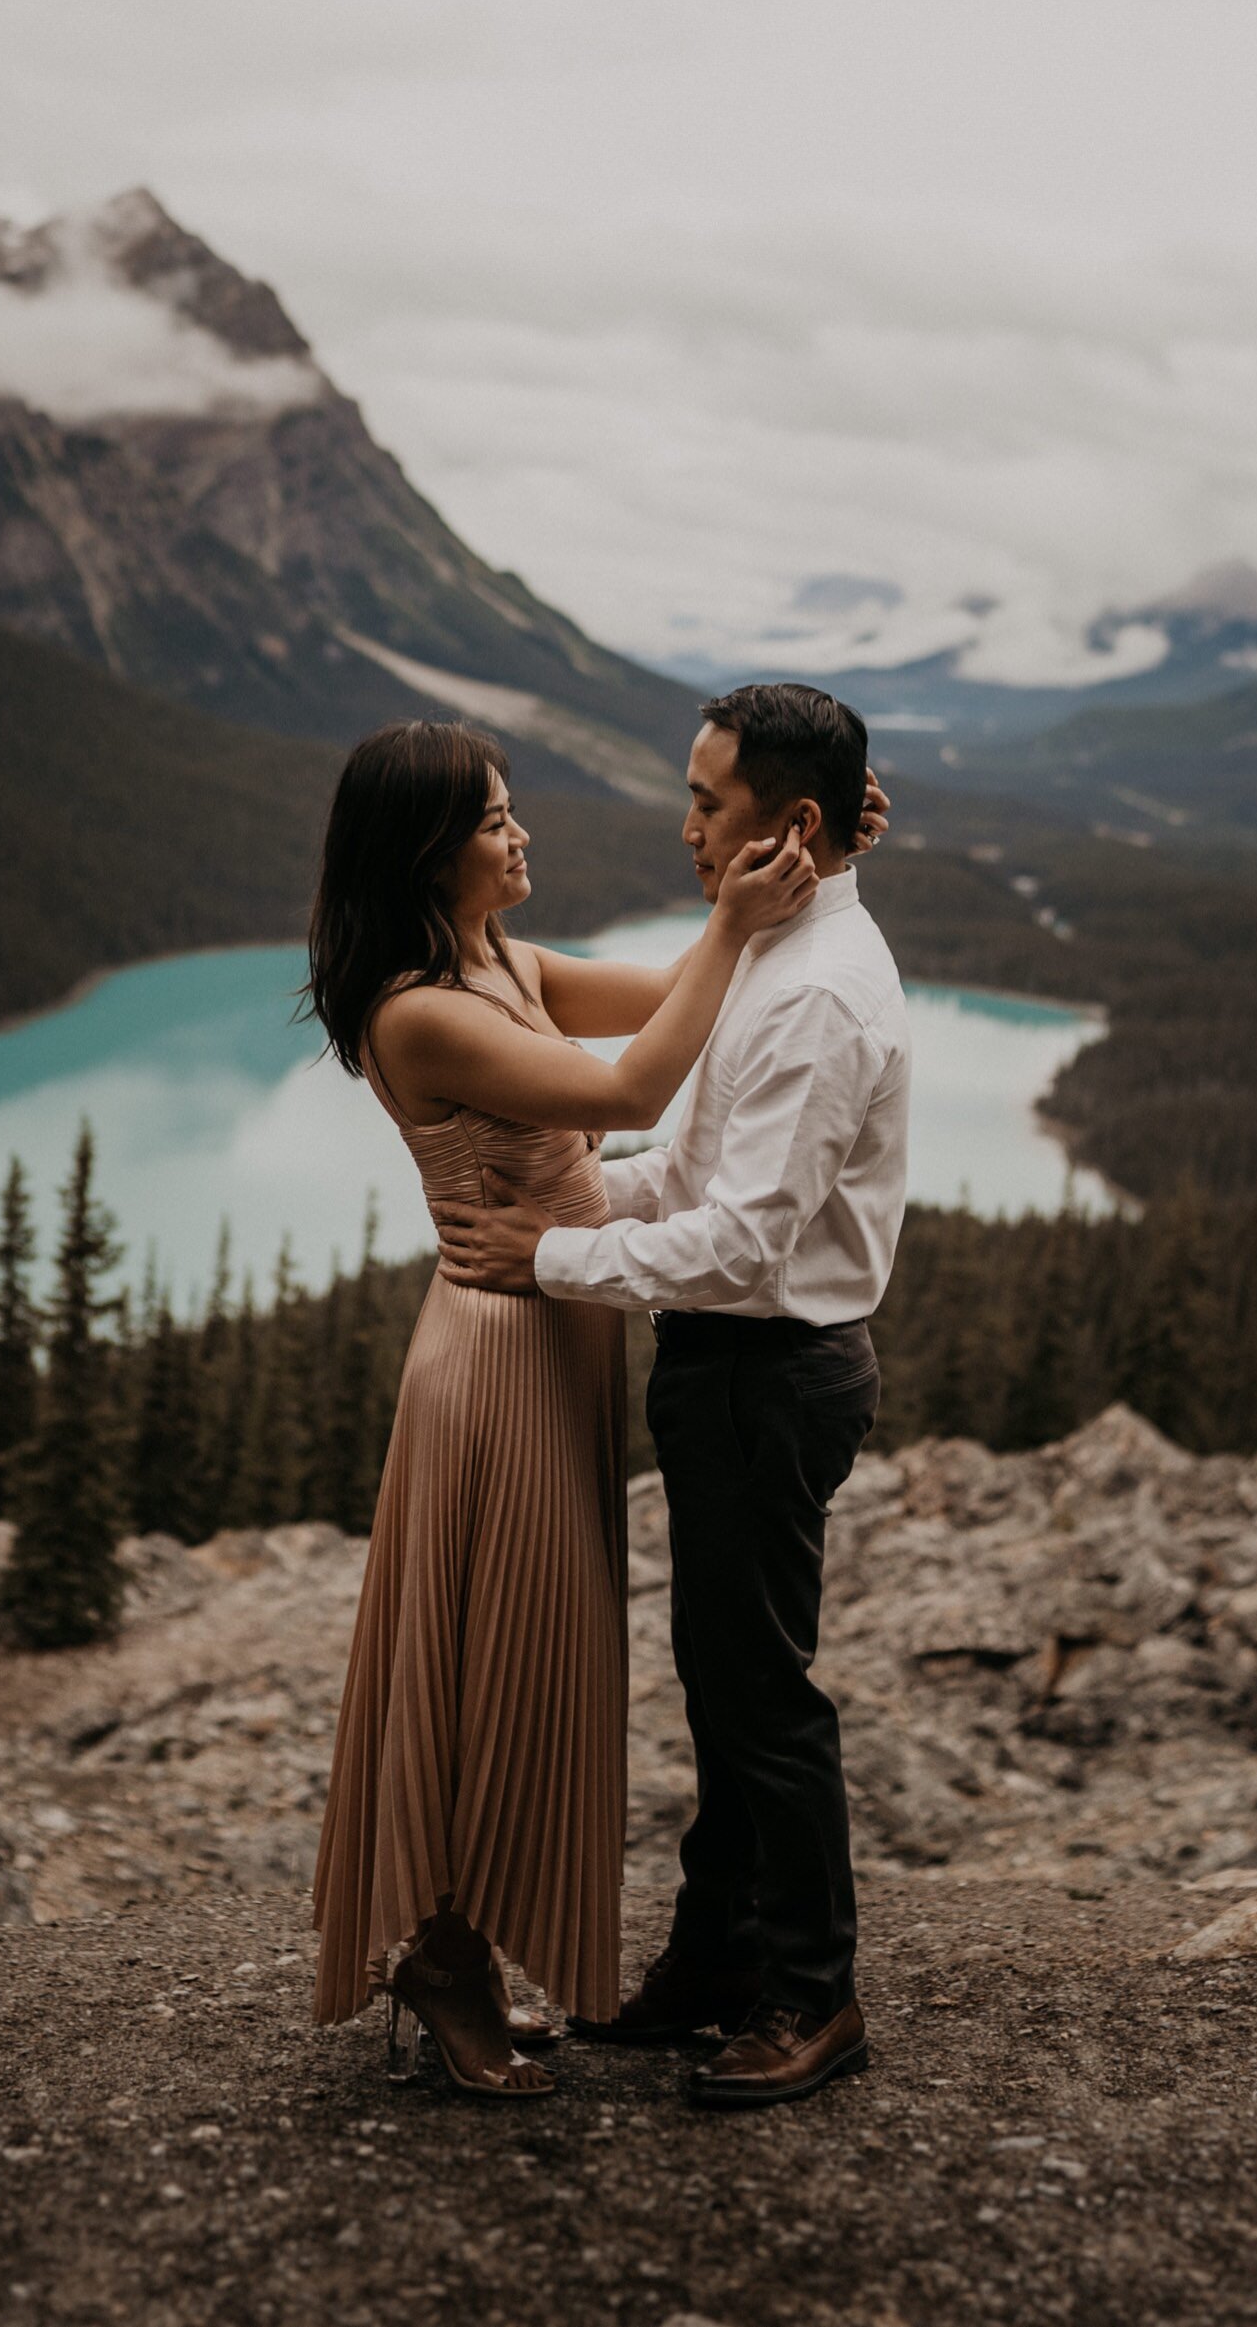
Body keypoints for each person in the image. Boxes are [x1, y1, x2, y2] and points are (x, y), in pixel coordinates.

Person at [307, 716, 821, 2098]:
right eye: (492, 816)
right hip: (496, 1358)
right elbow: (635, 1079)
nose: (519, 830)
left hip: (561, 1340)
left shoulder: (506, 964)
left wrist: (808, 859)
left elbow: (681, 988)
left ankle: (461, 1941)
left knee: (531, 1650)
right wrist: (734, 911)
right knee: (493, 1654)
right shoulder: (418, 1010)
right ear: (427, 850)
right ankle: (443, 1952)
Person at [434, 682, 908, 2111]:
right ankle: (716, 1960)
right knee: (724, 1682)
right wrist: (581, 1209)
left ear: (794, 824)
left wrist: (550, 1250)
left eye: (709, 800)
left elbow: (747, 1239)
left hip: (767, 1369)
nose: (687, 824)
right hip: (728, 1366)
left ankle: (815, 1996)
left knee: (763, 1696)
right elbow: (694, 1168)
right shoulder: (779, 941)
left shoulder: (816, 993)